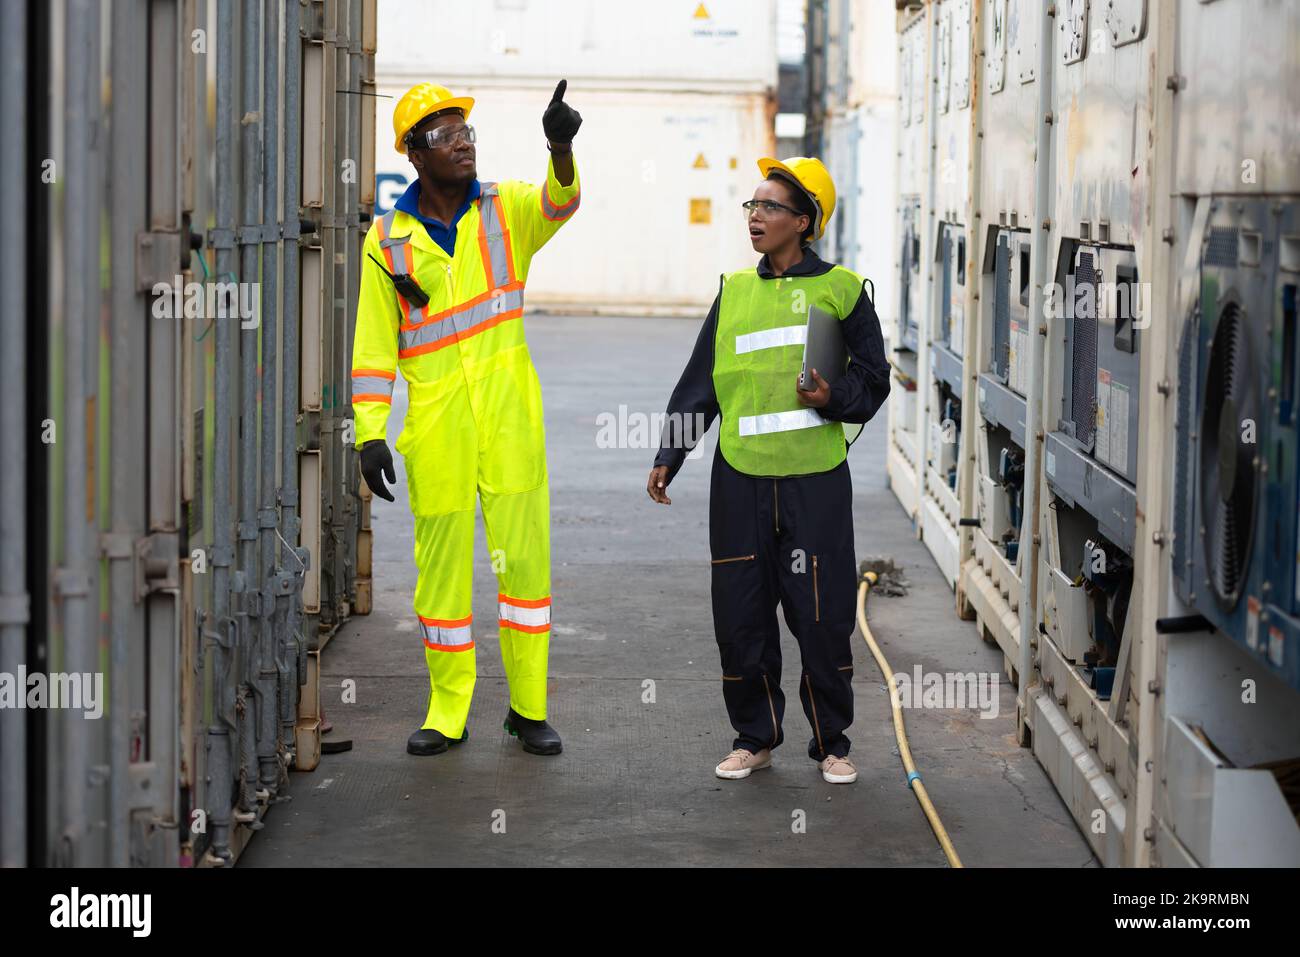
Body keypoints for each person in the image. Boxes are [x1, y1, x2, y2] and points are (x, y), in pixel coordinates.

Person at [351, 81, 583, 757]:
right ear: (414, 153)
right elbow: (372, 345)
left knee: (525, 574)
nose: (464, 144)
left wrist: (561, 148)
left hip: (510, 425)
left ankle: (528, 709)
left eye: (468, 134)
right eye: (448, 136)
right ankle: (448, 711)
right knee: (442, 578)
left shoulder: (506, 209)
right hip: (437, 433)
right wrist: (369, 432)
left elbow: (559, 202)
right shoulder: (386, 241)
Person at [647, 157, 890, 784]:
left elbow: (874, 380)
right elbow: (700, 382)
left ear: (803, 222)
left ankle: (832, 743)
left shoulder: (842, 289)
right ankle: (754, 738)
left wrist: (831, 399)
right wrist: (670, 453)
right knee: (741, 615)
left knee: (820, 615)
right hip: (740, 481)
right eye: (751, 206)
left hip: (814, 483)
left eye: (770, 207)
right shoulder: (734, 289)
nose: (755, 216)